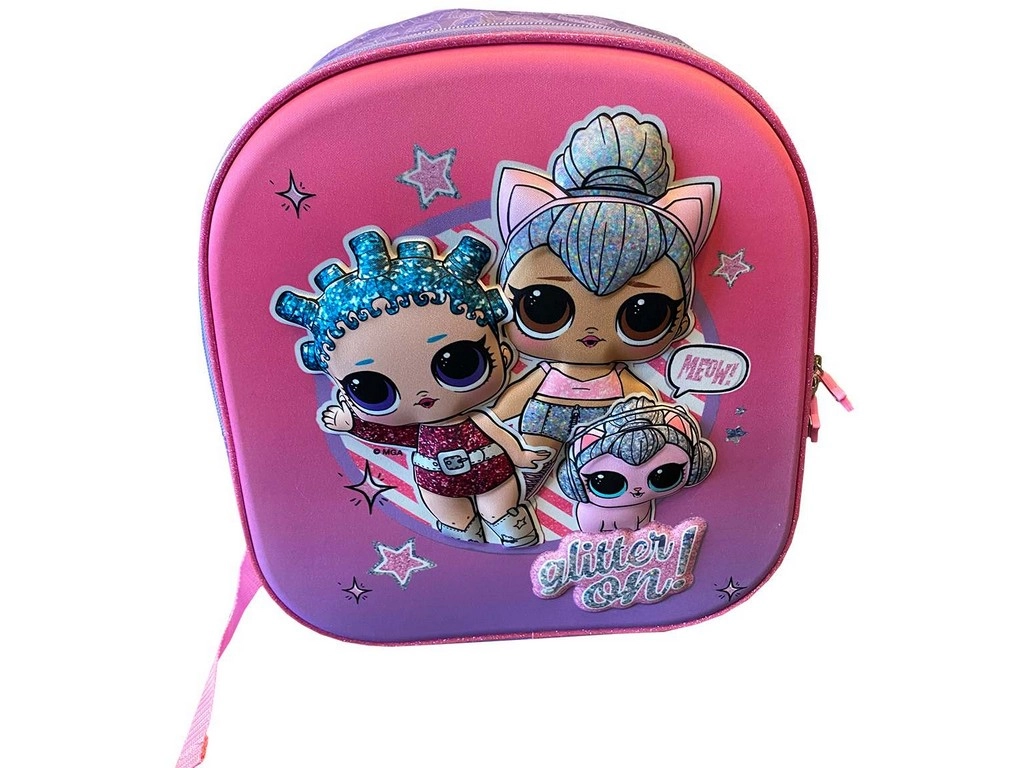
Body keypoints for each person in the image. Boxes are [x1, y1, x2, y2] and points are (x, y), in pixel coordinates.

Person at [490, 108, 721, 492]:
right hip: (546, 415)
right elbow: (513, 402)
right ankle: (516, 505)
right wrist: (494, 421)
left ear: (680, 320)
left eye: (642, 315)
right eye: (544, 307)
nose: (591, 332)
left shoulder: (619, 381)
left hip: (605, 428)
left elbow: (642, 402)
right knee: (527, 474)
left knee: (596, 475)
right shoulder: (552, 373)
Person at [273, 228, 548, 546]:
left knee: (500, 511)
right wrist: (353, 424)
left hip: (492, 471)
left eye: (459, 364)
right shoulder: (418, 432)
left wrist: (520, 455)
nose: (422, 396)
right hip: (436, 484)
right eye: (373, 389)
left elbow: (496, 431)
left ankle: (510, 529)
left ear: (503, 354)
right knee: (456, 524)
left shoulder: (478, 420)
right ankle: (464, 547)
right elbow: (393, 435)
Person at [555, 397, 715, 533]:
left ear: (696, 465)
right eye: (610, 483)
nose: (638, 491)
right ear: (573, 480)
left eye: (665, 476)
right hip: (592, 530)